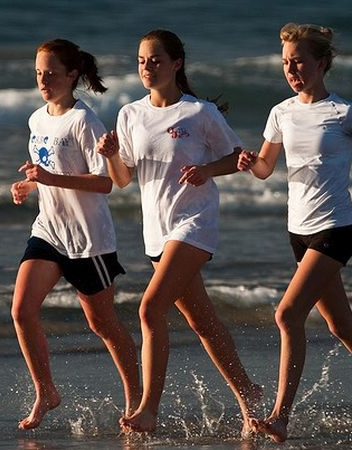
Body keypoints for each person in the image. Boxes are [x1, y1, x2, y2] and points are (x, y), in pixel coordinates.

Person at [237, 23, 352, 443]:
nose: (291, 70)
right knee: (340, 324)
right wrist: (249, 163)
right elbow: (265, 168)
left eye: (298, 62)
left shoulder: (345, 112)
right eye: (286, 63)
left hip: (336, 228)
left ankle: (280, 416)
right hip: (298, 230)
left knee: (287, 315)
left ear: (321, 63)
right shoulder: (281, 113)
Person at [96, 29, 262, 436]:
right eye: (141, 61)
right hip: (157, 231)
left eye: (155, 60)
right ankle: (249, 395)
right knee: (203, 323)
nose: (147, 68)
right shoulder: (130, 114)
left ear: (176, 64)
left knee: (150, 309)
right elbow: (123, 179)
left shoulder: (199, 112)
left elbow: (236, 157)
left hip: (194, 222)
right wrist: (112, 156)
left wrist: (207, 170)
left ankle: (148, 410)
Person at [10, 38, 140, 430]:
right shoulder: (37, 119)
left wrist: (50, 178)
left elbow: (105, 183)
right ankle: (46, 391)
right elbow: (47, 167)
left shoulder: (84, 121)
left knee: (102, 324)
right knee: (22, 311)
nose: (43, 81)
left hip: (88, 240)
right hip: (49, 230)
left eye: (51, 73)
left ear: (72, 75)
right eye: (38, 73)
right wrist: (31, 184)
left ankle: (137, 401)